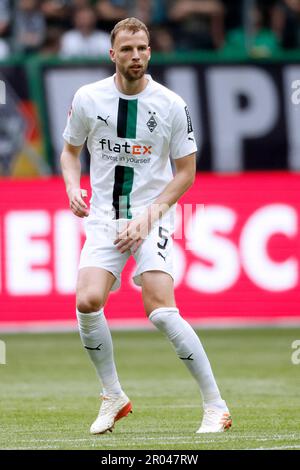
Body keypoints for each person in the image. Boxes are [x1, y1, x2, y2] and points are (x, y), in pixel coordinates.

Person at [60, 17, 232, 435]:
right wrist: (71, 186)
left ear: (150, 52)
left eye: (141, 49)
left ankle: (215, 405)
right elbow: (70, 151)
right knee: (87, 301)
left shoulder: (171, 104)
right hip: (104, 216)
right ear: (112, 54)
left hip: (151, 214)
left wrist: (146, 218)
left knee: (159, 307)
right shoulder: (88, 98)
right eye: (127, 50)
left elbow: (186, 172)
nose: (135, 56)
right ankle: (113, 395)